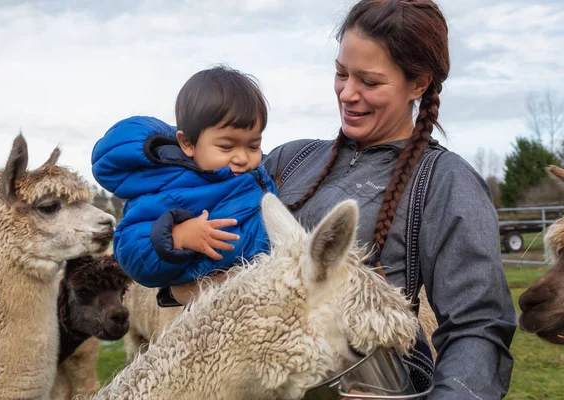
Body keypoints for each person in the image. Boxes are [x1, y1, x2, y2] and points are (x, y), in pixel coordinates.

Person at [263, 0, 516, 399]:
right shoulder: (289, 160)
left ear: (418, 83)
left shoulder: (445, 182)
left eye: (370, 81)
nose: (348, 93)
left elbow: (478, 328)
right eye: (341, 73)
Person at [91, 66, 277, 306]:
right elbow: (129, 249)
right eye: (226, 147)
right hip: (213, 303)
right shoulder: (169, 185)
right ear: (188, 144)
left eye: (253, 146)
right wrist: (177, 237)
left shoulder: (253, 175)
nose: (243, 158)